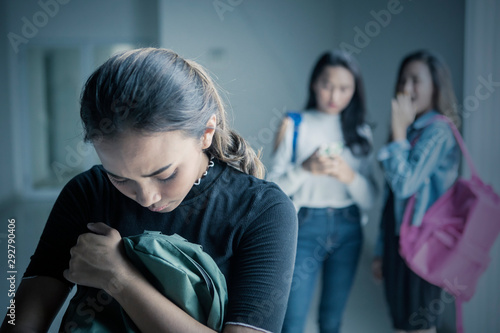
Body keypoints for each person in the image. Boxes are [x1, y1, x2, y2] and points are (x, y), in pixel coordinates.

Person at [1, 48, 298, 333]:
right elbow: (19, 320)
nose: (146, 198)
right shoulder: (87, 193)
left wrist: (119, 278)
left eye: (165, 175)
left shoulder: (263, 210)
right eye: (119, 178)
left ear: (206, 133)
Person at [268, 50, 377, 333]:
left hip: (349, 229)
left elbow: (371, 199)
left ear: (355, 91)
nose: (334, 95)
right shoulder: (293, 125)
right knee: (291, 322)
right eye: (328, 85)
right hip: (304, 227)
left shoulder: (361, 132)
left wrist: (349, 176)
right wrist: (305, 168)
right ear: (314, 83)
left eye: (344, 88)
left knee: (331, 321)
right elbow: (273, 189)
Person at [371, 50, 460, 333]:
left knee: (419, 326)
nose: (406, 88)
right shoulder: (410, 130)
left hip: (424, 246)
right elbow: (391, 199)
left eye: (415, 80)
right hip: (398, 242)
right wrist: (381, 250)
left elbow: (405, 184)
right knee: (400, 324)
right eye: (402, 80)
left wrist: (398, 133)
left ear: (435, 85)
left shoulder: (439, 131)